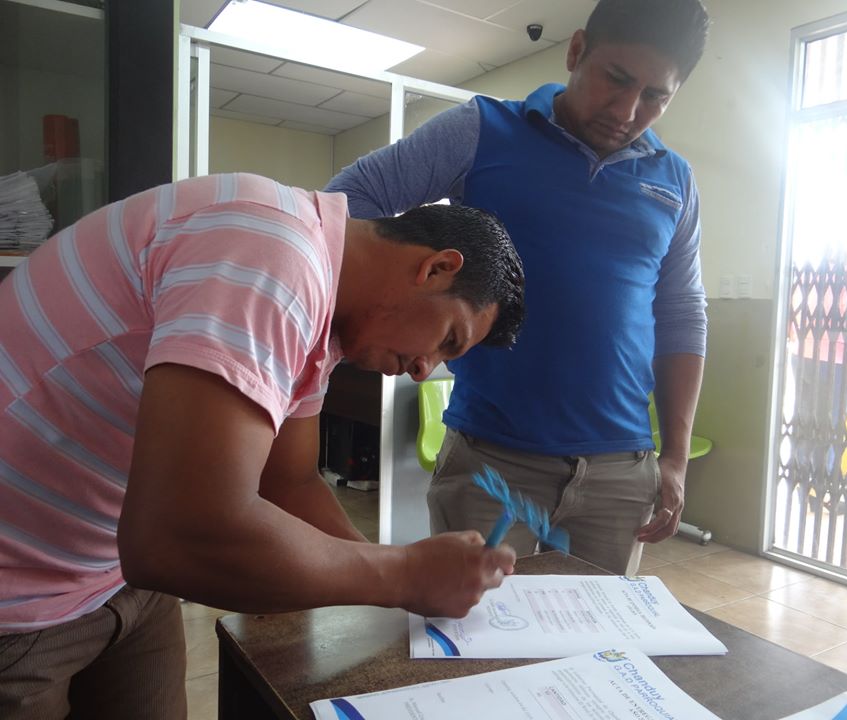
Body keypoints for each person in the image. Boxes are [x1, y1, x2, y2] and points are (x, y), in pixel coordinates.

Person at [0, 171, 523, 719]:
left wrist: (400, 578)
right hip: (18, 594)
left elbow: (288, 482)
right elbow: (176, 535)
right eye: (447, 340)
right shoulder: (272, 254)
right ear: (437, 268)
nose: (423, 370)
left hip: (111, 573)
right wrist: (403, 576)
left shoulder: (323, 311)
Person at [326, 0, 710, 575]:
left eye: (656, 96)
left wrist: (675, 457)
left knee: (596, 632)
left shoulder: (675, 179)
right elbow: (345, 204)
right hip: (491, 459)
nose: (627, 111)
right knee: (469, 625)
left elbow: (682, 313)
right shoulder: (483, 129)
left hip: (620, 469)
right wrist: (412, 301)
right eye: (616, 78)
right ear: (576, 51)